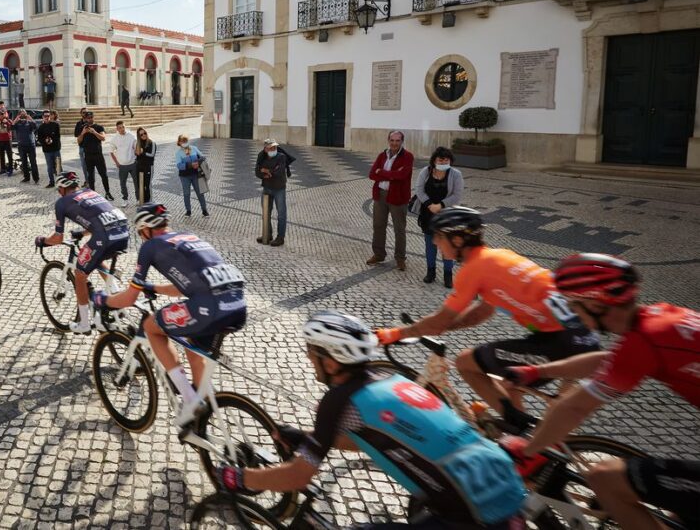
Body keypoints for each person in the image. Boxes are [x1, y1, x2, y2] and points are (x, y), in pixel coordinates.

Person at [214, 310, 526, 529]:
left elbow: (297, 477)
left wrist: (238, 478)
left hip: (472, 513)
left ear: (331, 361)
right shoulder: (391, 380)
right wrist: (309, 438)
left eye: (312, 353)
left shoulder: (339, 400)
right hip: (503, 485)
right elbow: (377, 439)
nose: (309, 360)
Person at [502, 253, 700, 530]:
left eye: (575, 307)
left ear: (595, 303)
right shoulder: (657, 319)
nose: (575, 316)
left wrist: (530, 449)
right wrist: (538, 372)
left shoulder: (644, 341)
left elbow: (575, 407)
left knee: (605, 477)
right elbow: (609, 359)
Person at [375, 206, 601, 426]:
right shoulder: (499, 256)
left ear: (457, 240)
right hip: (580, 339)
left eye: (438, 237)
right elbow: (482, 312)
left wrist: (397, 333)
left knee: (465, 362)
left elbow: (439, 321)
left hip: (559, 342)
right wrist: (442, 327)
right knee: (506, 385)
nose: (435, 242)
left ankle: (521, 438)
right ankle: (522, 439)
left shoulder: (474, 268)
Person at [96, 203, 246, 427]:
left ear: (145, 229)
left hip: (209, 307)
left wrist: (103, 300)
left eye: (140, 233)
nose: (142, 237)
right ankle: (201, 402)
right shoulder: (188, 238)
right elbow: (182, 287)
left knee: (150, 326)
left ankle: (189, 399)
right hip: (237, 306)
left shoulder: (151, 246)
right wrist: (154, 288)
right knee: (190, 339)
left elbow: (128, 299)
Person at [35, 171, 130, 334]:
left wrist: (43, 240)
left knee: (79, 274)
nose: (59, 193)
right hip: (123, 233)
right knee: (97, 258)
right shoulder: (91, 192)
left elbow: (58, 238)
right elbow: (100, 217)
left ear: (62, 189)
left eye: (59, 189)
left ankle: (84, 323)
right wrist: (84, 232)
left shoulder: (62, 202)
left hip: (105, 237)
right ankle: (116, 298)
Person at [414, 147, 464, 287]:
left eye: (446, 159)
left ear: (450, 160)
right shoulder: (426, 171)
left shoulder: (456, 174)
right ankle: (431, 272)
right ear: (434, 160)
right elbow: (419, 189)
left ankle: (448, 274)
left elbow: (457, 195)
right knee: (430, 245)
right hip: (428, 213)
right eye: (440, 159)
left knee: (447, 246)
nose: (443, 161)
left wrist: (440, 205)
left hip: (447, 214)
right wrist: (430, 205)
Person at [367, 130, 414, 271]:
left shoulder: (407, 157)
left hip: (398, 196)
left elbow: (402, 176)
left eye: (397, 140)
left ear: (402, 142)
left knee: (399, 229)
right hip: (380, 195)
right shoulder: (382, 155)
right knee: (378, 225)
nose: (394, 143)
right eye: (392, 140)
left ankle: (400, 258)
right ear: (388, 140)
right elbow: (371, 174)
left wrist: (381, 172)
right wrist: (390, 175)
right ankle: (379, 254)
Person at [255, 138, 295, 246]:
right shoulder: (261, 156)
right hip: (266, 187)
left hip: (279, 188)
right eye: (271, 147)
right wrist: (263, 172)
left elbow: (279, 171)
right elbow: (257, 172)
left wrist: (266, 170)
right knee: (265, 213)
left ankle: (280, 237)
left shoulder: (281, 157)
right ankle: (267, 234)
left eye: (275, 147)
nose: (274, 149)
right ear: (266, 149)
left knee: (281, 213)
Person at [77, 110, 111, 198]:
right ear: (85, 119)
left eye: (91, 117)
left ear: (93, 117)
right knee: (90, 176)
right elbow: (78, 141)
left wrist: (94, 132)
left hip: (98, 155)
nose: (90, 119)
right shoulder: (82, 128)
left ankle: (107, 192)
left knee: (104, 174)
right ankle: (93, 193)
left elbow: (103, 138)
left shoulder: (99, 127)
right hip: (88, 155)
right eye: (88, 118)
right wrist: (83, 133)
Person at [175, 134, 208, 217]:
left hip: (195, 174)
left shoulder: (193, 148)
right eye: (183, 141)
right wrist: (190, 165)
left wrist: (197, 162)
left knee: (200, 193)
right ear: (179, 142)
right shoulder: (178, 153)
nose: (185, 143)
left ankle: (204, 210)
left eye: (186, 141)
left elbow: (203, 157)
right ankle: (188, 211)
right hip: (184, 176)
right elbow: (179, 166)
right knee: (186, 193)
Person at [109, 120, 138, 205]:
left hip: (133, 163)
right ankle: (125, 199)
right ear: (117, 129)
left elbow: (136, 147)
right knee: (123, 183)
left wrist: (137, 159)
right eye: (120, 128)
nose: (122, 129)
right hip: (122, 165)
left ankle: (138, 199)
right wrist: (116, 162)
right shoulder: (114, 138)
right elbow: (111, 151)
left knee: (136, 183)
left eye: (123, 127)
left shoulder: (131, 136)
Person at [12, 109, 40, 183]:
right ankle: (26, 177)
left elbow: (36, 127)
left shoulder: (30, 123)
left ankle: (36, 178)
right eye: (21, 114)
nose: (23, 115)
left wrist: (30, 119)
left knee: (33, 162)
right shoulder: (17, 123)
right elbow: (11, 127)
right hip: (21, 145)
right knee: (24, 163)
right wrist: (16, 119)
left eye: (24, 114)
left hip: (31, 145)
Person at [36, 110, 61, 187]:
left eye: (48, 116)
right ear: (42, 117)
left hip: (56, 149)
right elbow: (39, 139)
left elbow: (58, 136)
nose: (47, 117)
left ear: (50, 116)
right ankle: (51, 182)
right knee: (49, 167)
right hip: (47, 150)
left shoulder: (55, 125)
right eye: (45, 116)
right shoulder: (40, 127)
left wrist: (52, 140)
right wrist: (45, 141)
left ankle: (60, 182)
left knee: (58, 166)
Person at [134, 127, 156, 202]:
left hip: (149, 167)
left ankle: (150, 202)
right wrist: (137, 153)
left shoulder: (152, 143)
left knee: (148, 185)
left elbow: (152, 154)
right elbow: (137, 155)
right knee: (141, 185)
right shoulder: (138, 144)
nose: (143, 135)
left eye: (145, 133)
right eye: (141, 134)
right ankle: (143, 202)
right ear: (139, 136)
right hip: (139, 167)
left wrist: (143, 152)